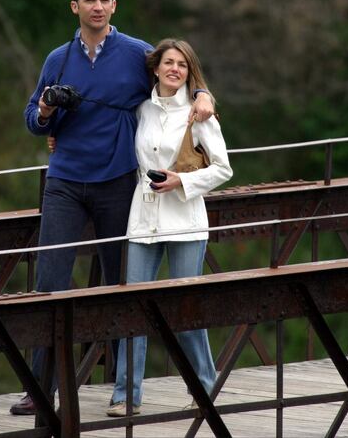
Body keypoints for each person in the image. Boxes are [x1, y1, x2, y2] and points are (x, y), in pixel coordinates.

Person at [10, 0, 215, 415]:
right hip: (64, 180)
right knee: (49, 284)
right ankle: (39, 388)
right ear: (75, 7)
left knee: (120, 287)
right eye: (89, 0)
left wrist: (202, 93)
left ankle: (125, 391)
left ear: (114, 6)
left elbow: (178, 72)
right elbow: (31, 118)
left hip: (119, 181)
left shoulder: (139, 54)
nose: (97, 6)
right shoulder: (58, 59)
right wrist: (45, 109)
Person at [106, 38, 233, 417]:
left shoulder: (199, 114)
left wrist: (182, 182)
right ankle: (126, 395)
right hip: (143, 218)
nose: (174, 69)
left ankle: (205, 389)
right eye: (168, 63)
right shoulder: (141, 109)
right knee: (135, 308)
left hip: (186, 222)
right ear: (157, 68)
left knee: (186, 311)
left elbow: (224, 169)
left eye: (182, 64)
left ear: (189, 71)